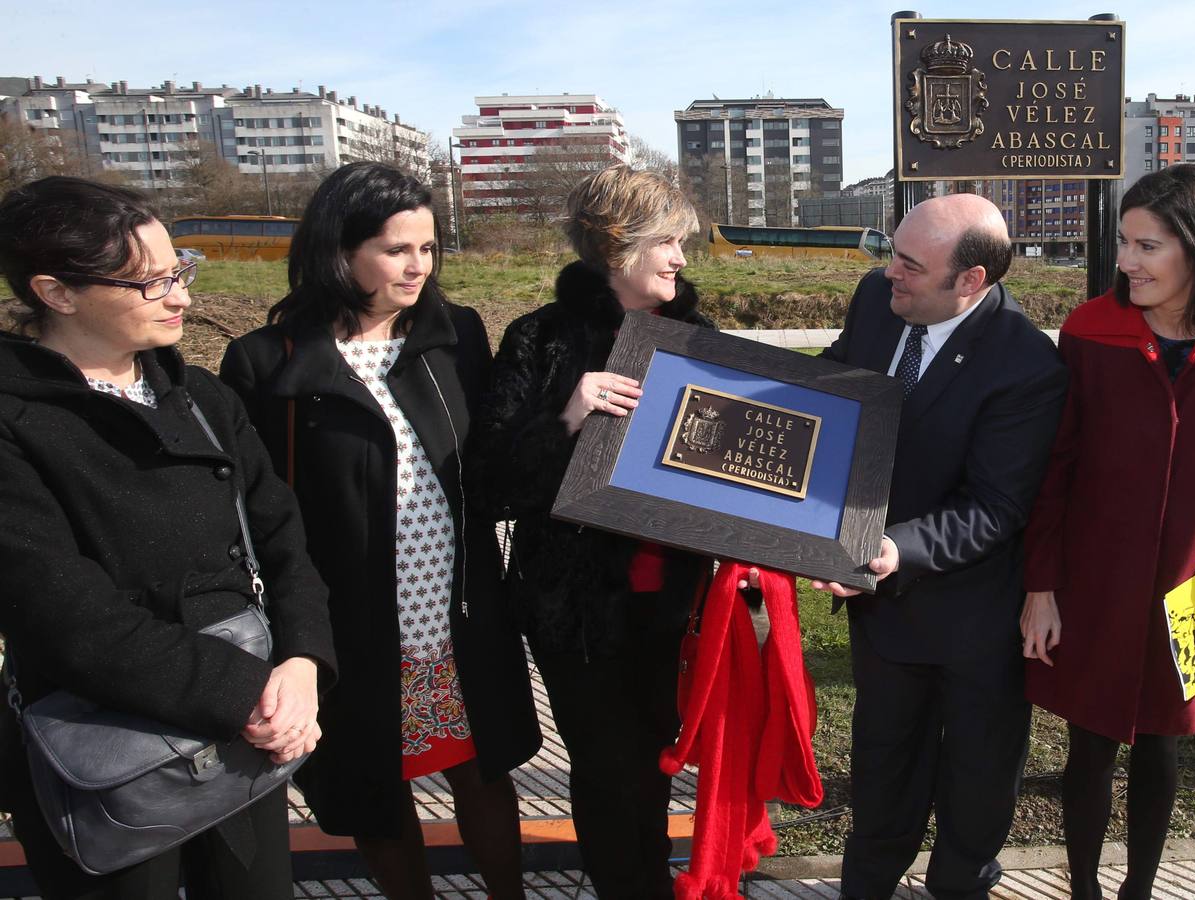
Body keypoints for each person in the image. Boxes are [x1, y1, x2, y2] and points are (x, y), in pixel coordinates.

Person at [0, 176, 337, 899]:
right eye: (150, 284)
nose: (180, 296)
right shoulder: (15, 421)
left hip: (245, 731)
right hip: (108, 748)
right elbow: (61, 611)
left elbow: (282, 540)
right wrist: (251, 695)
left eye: (179, 270)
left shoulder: (203, 398)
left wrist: (304, 665)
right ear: (57, 293)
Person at [220, 162, 540, 900]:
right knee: (376, 789)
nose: (418, 266)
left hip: (457, 616)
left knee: (483, 773)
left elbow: (489, 458)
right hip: (352, 629)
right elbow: (259, 511)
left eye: (428, 249)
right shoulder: (267, 361)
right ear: (340, 250)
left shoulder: (455, 334)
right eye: (398, 249)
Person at [1020, 163, 1195, 900]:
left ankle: (1138, 891)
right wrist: (1039, 587)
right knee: (1087, 748)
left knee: (1162, 750)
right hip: (1092, 587)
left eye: (1146, 247)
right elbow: (1055, 472)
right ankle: (1080, 890)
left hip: (1187, 596)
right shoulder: (1088, 333)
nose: (1124, 262)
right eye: (1123, 242)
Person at [468, 164, 713, 898]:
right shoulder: (540, 341)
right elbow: (490, 485)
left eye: (681, 243)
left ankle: (649, 881)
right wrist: (568, 416)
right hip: (574, 610)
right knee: (607, 769)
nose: (679, 258)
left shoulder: (702, 340)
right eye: (667, 242)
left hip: (676, 601)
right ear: (615, 247)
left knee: (654, 762)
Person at [819, 193, 1068, 900]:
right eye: (891, 253)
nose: (886, 272)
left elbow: (993, 509)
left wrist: (892, 549)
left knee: (976, 785)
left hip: (975, 623)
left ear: (970, 281)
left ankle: (959, 886)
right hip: (884, 614)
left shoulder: (1025, 366)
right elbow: (837, 385)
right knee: (881, 770)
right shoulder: (876, 299)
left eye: (908, 264)